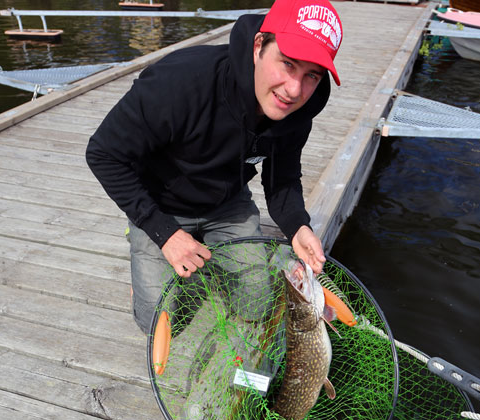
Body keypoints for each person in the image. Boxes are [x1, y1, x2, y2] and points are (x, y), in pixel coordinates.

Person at [86, 0, 343, 334]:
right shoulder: (178, 82)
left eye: (311, 75)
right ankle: (143, 246)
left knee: (256, 305)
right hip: (160, 203)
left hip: (227, 204)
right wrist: (162, 231)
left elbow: (282, 177)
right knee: (159, 322)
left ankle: (204, 253)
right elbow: (103, 153)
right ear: (258, 46)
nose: (294, 90)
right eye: (287, 64)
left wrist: (298, 226)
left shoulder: (297, 112)